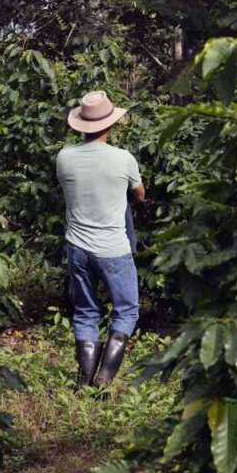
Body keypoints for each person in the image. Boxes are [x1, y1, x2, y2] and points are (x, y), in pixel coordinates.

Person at [56, 90, 145, 389]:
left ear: (81, 124)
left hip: (77, 248)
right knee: (127, 309)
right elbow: (140, 195)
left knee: (85, 311)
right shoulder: (124, 159)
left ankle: (83, 381)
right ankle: (105, 377)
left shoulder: (64, 158)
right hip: (113, 250)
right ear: (111, 124)